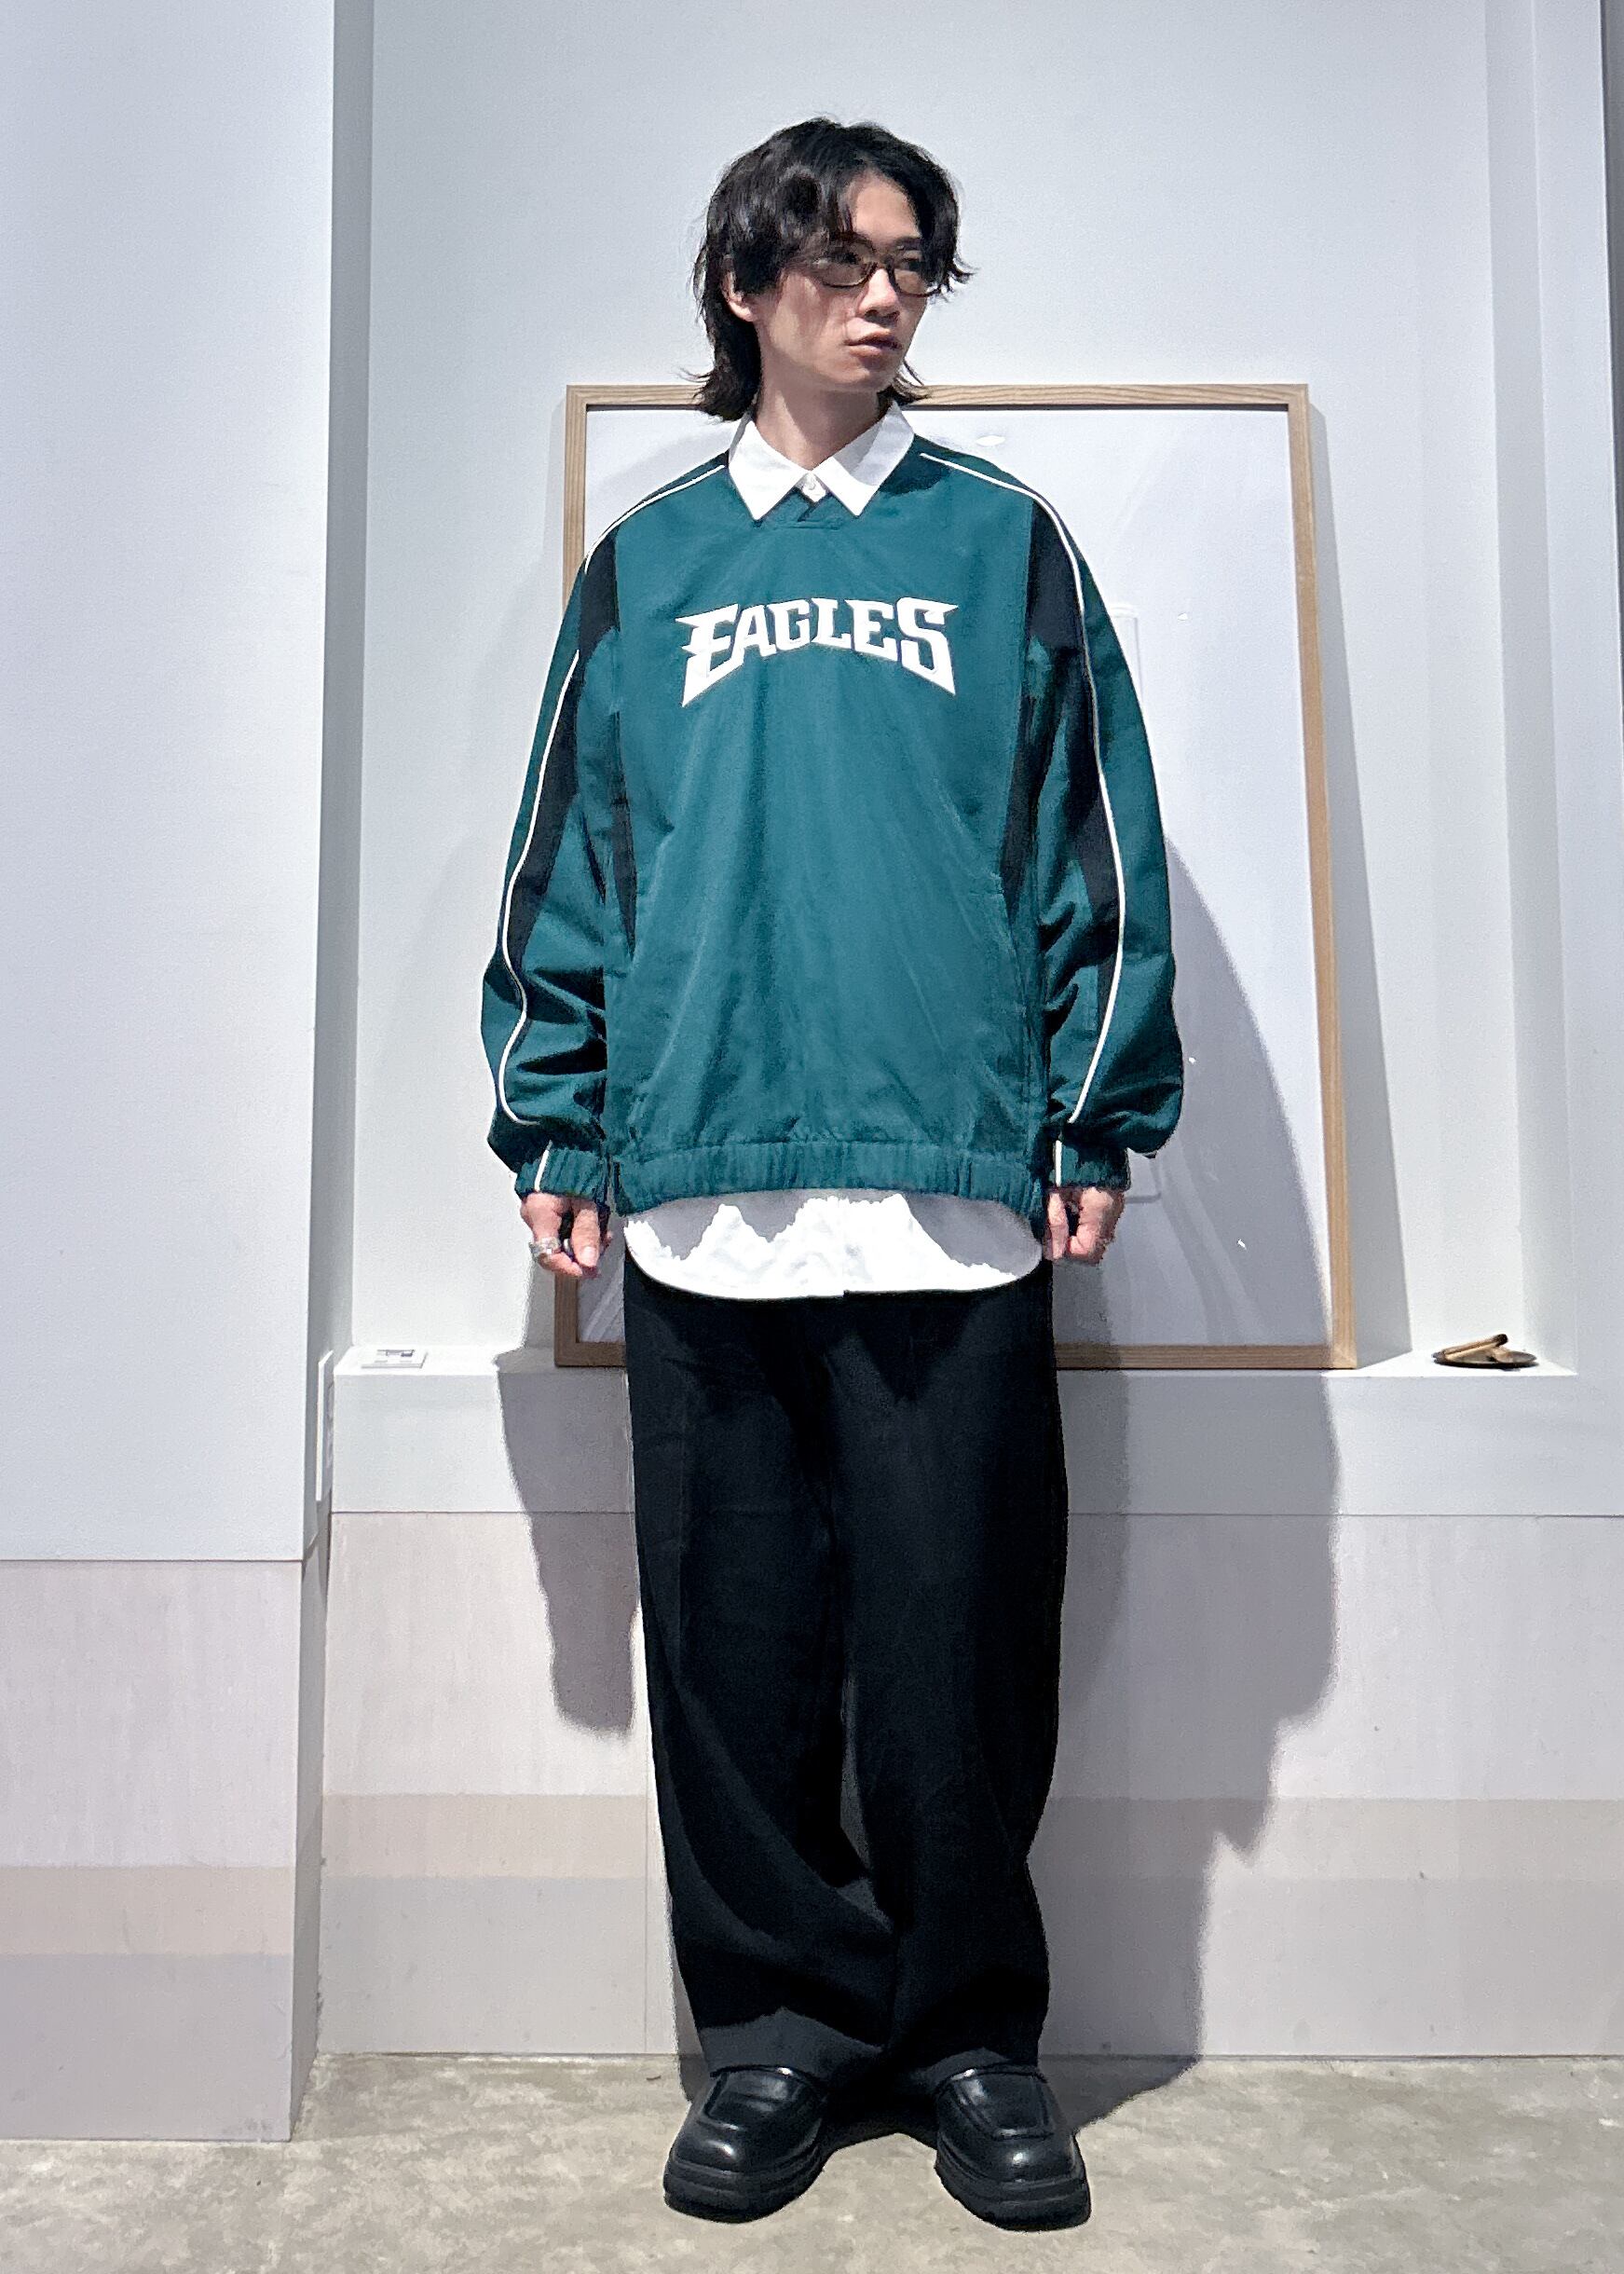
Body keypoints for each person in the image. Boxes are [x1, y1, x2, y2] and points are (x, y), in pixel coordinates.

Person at [480, 116, 1183, 2228]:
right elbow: (569, 862)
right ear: (745, 283)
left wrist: (1094, 1107)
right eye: (844, 260)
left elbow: (1097, 842)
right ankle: (777, 2033)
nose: (883, 298)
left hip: (956, 1186)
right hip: (702, 1183)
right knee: (738, 1652)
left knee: (957, 1648)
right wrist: (558, 1113)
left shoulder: (1003, 546)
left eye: (912, 266)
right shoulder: (650, 564)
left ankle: (969, 2038)